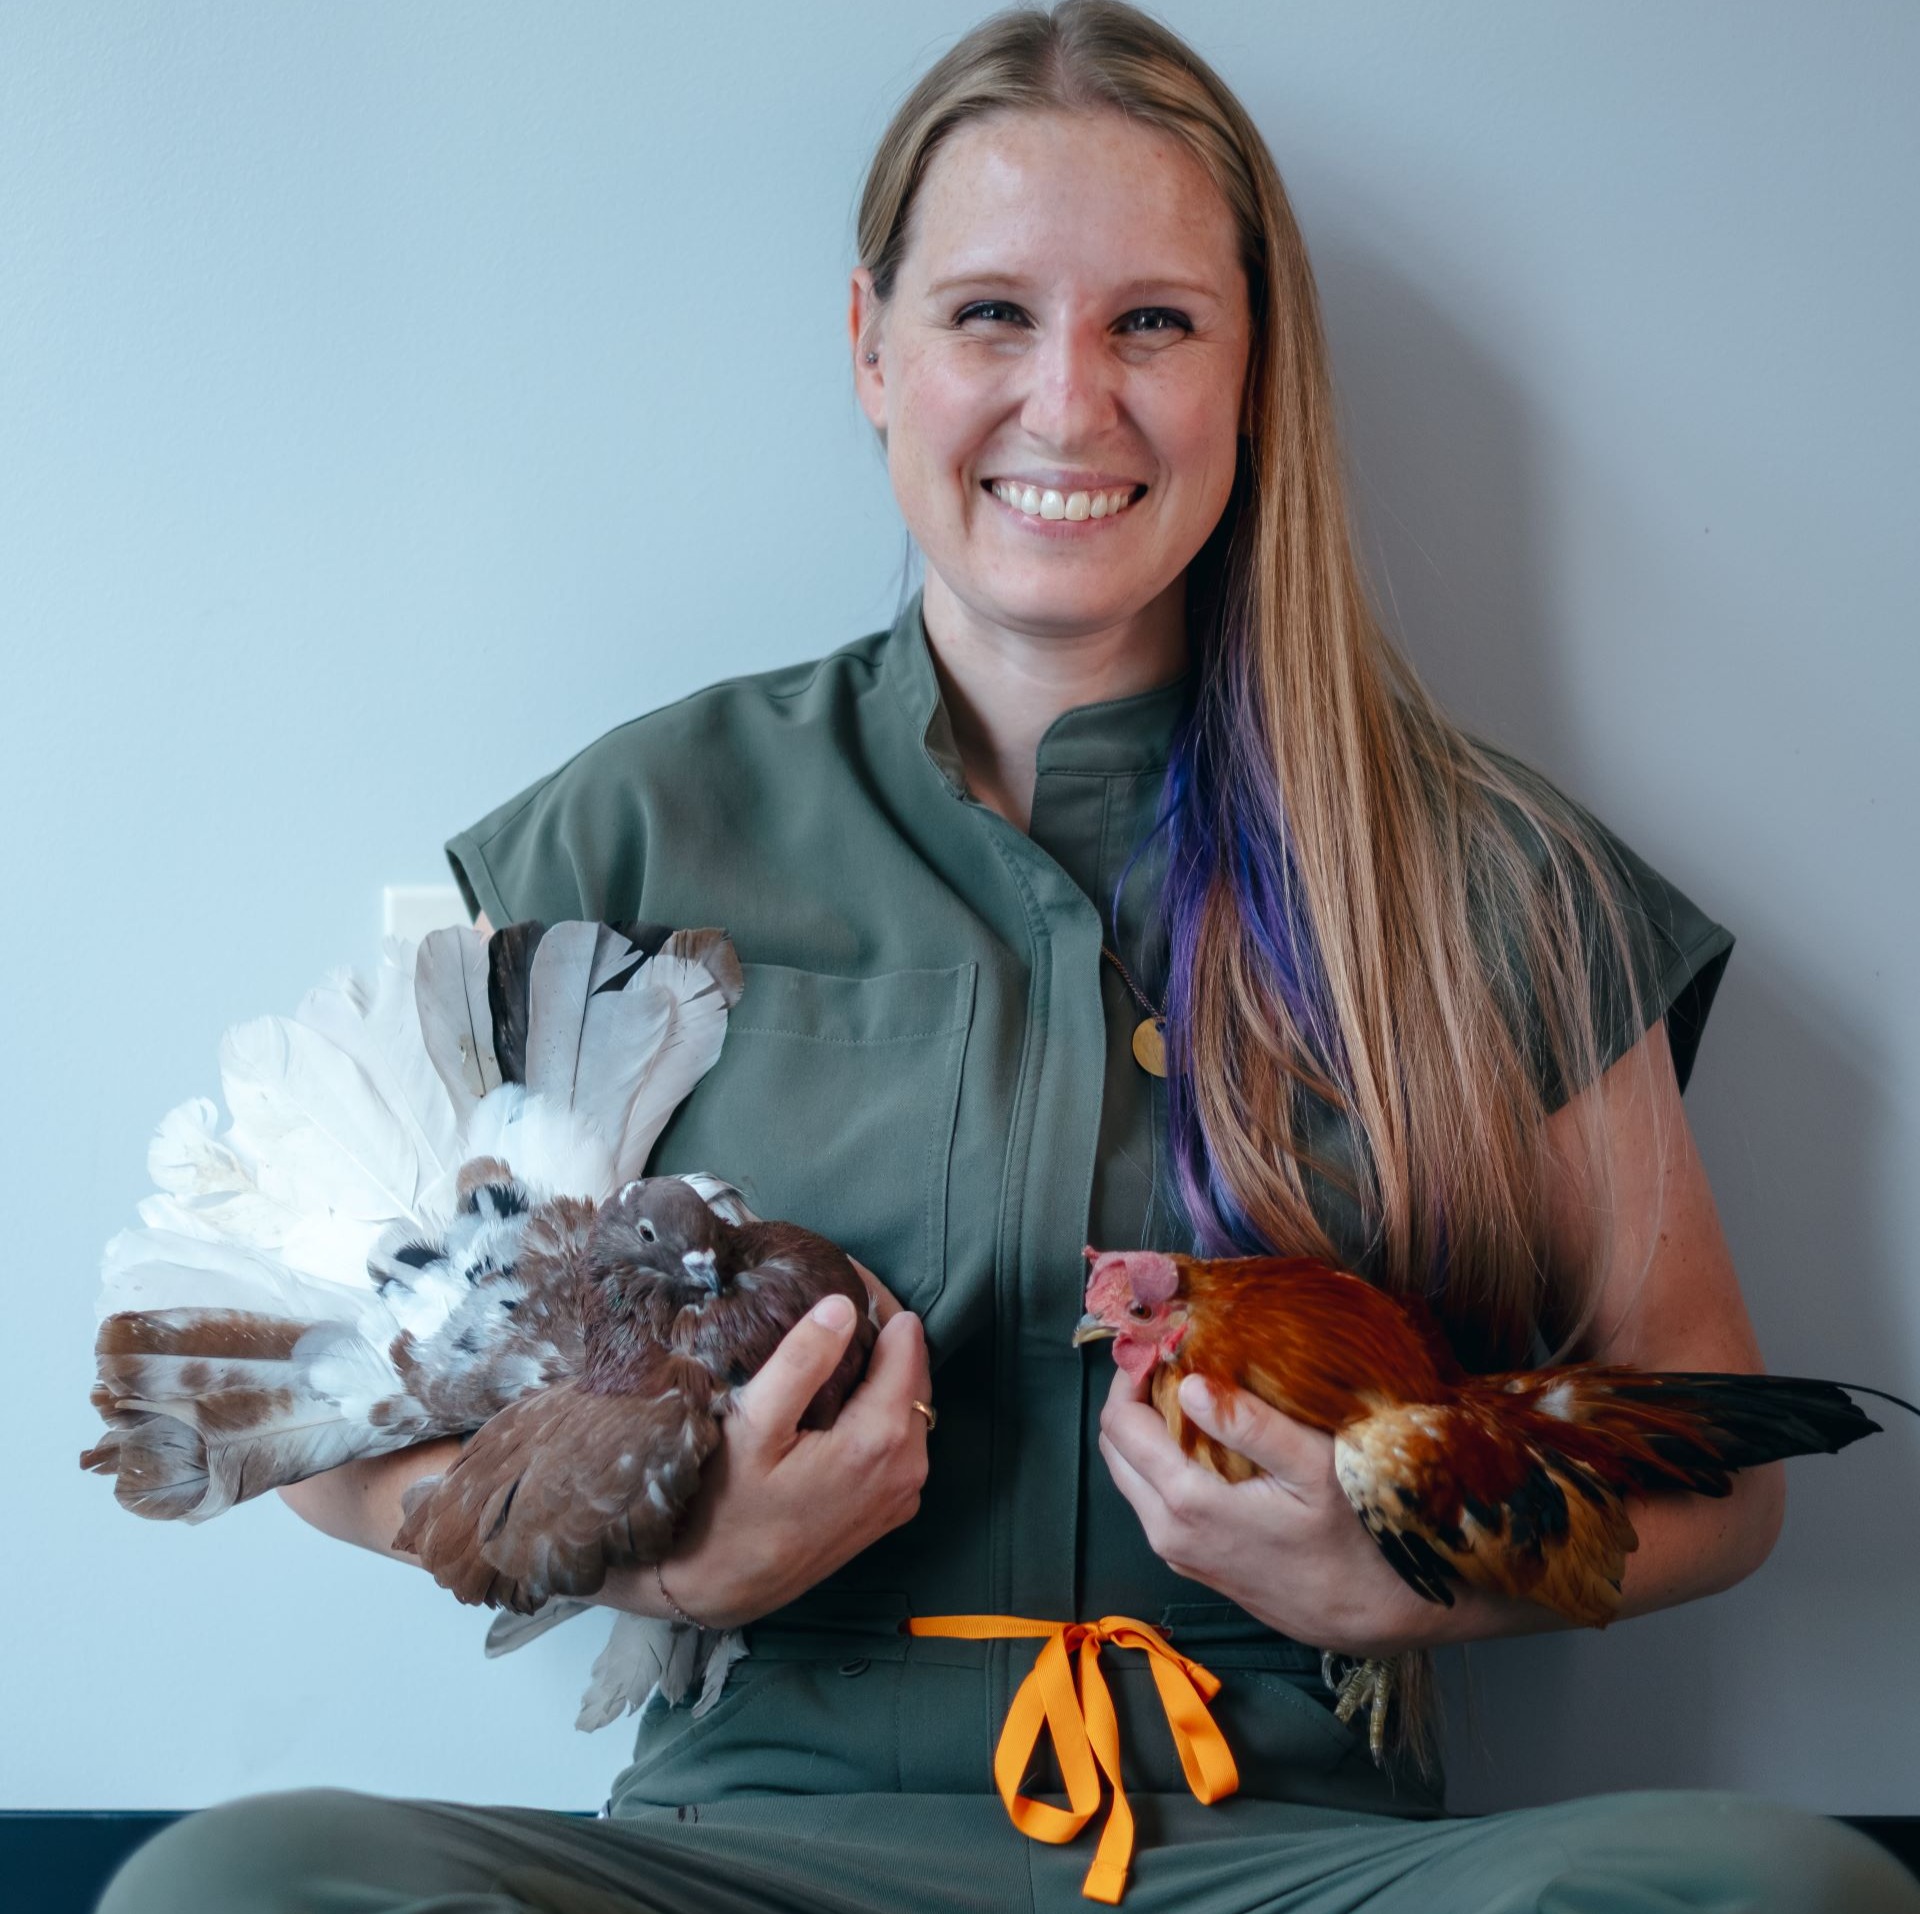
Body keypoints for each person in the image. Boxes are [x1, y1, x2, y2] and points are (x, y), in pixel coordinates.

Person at [102, 4, 1918, 1909]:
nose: (1070, 404)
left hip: (1292, 1860)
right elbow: (317, 1418)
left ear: (1254, 370)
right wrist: (659, 1562)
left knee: (1789, 1891)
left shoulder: (1487, 869)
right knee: (240, 1881)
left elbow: (1730, 1468)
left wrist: (1396, 1574)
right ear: (869, 345)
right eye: (989, 316)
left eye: (1153, 321)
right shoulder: (621, 838)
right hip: (757, 1856)